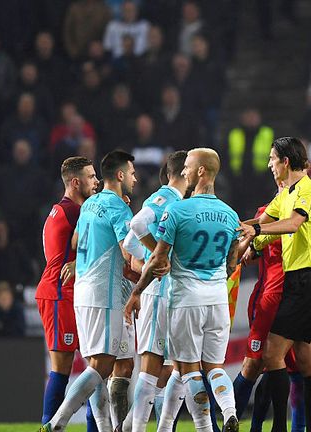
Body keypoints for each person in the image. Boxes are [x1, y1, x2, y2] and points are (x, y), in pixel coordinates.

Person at [125, 148, 240, 432]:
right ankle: (229, 411)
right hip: (217, 298)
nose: (184, 171)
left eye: (188, 166)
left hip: (187, 298)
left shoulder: (178, 210)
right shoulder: (230, 214)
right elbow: (232, 263)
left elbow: (158, 259)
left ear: (201, 171)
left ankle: (204, 428)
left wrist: (137, 291)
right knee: (214, 367)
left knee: (188, 369)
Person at [237, 136, 311, 432]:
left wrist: (256, 231)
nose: (268, 165)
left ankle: (279, 426)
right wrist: (238, 231)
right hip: (300, 279)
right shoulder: (285, 193)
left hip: (309, 278)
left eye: (271, 159)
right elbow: (258, 223)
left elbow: (291, 224)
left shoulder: (308, 189)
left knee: (272, 354)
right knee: (306, 359)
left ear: (285, 161)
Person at [40, 150, 137, 432]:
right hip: (98, 293)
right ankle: (56, 422)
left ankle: (106, 429)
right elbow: (128, 252)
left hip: (82, 292)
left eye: (95, 175)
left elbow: (74, 241)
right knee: (99, 366)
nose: (135, 177)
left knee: (116, 364)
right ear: (120, 175)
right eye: (131, 172)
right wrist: (149, 269)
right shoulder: (116, 208)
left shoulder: (88, 205)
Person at [120, 151, 188, 432]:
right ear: (184, 171)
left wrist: (144, 257)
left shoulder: (180, 202)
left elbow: (128, 243)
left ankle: (153, 427)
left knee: (173, 369)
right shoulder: (164, 198)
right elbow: (135, 227)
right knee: (151, 367)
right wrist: (156, 256)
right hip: (157, 292)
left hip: (171, 293)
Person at [36, 157, 99, 425]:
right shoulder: (75, 212)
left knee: (95, 364)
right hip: (61, 293)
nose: (96, 182)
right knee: (64, 368)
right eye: (91, 177)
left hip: (64, 291)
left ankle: (90, 425)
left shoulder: (59, 210)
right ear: (76, 182)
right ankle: (50, 423)